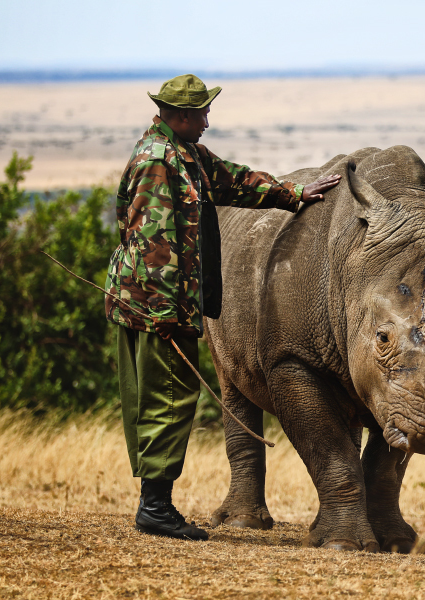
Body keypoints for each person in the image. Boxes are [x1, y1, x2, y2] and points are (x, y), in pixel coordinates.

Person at [104, 74, 340, 541]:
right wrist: (166, 312)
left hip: (156, 303)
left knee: (166, 397)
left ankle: (156, 504)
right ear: (182, 115)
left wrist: (292, 194)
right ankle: (155, 508)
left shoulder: (183, 153)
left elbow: (232, 180)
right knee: (166, 399)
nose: (209, 121)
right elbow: (151, 241)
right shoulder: (158, 159)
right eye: (203, 113)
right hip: (157, 306)